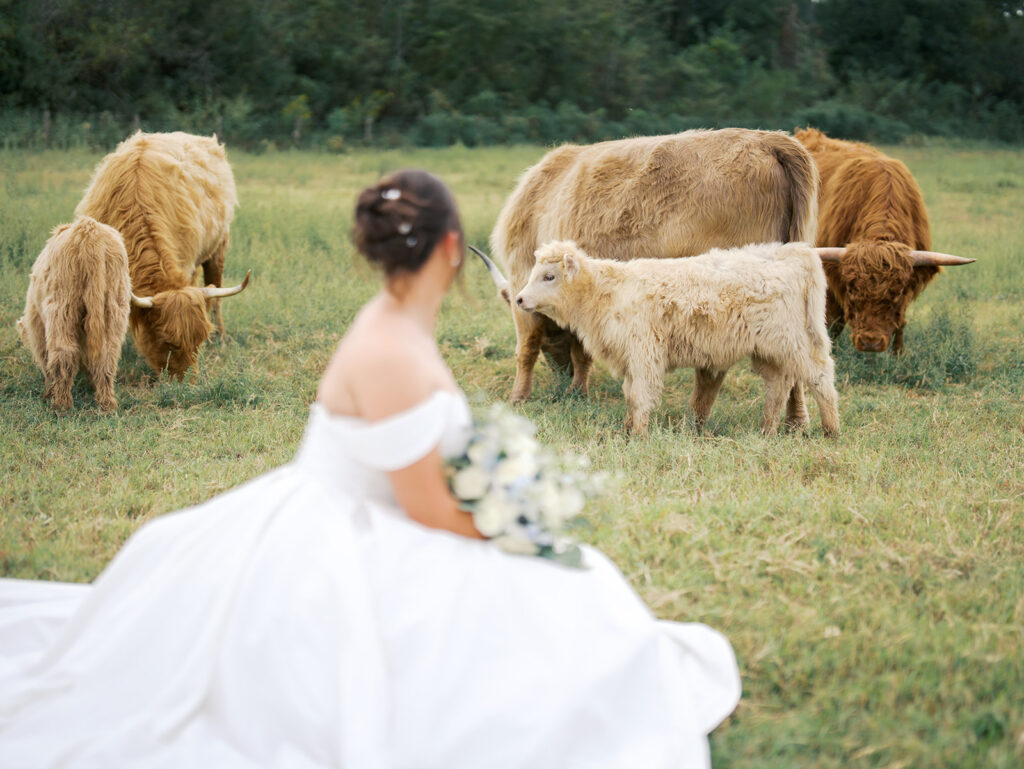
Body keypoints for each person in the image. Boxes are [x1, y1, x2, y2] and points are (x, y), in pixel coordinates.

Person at [0, 170, 740, 768]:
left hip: (368, 508)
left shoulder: (394, 322)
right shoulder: (392, 351)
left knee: (566, 583)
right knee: (553, 591)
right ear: (451, 248)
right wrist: (511, 516)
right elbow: (423, 507)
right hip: (354, 532)